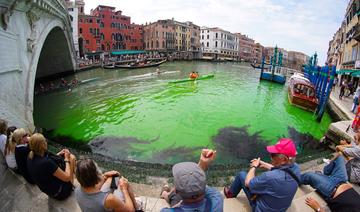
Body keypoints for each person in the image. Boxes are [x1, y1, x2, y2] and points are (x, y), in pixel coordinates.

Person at [223, 138, 301, 212]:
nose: (271, 157)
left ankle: (230, 194)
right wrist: (264, 164)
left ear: (284, 159)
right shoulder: (296, 168)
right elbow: (283, 170)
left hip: (261, 209)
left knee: (242, 175)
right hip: (281, 208)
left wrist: (254, 166)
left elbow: (248, 183)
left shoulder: (269, 177)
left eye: (273, 155)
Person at [75, 158, 140, 212]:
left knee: (115, 177)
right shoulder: (109, 199)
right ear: (95, 175)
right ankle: (137, 207)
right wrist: (124, 189)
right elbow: (130, 211)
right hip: (108, 203)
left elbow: (93, 189)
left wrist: (105, 176)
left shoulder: (77, 190)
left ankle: (131, 202)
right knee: (124, 183)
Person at [27, 133, 76, 200]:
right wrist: (67, 159)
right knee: (72, 158)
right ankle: (71, 186)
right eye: (44, 141)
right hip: (60, 193)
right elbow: (67, 177)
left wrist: (59, 153)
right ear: (42, 145)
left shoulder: (30, 156)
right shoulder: (45, 163)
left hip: (49, 191)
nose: (46, 142)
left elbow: (48, 163)